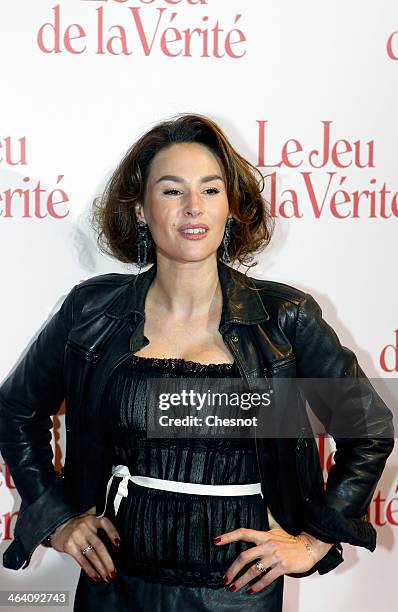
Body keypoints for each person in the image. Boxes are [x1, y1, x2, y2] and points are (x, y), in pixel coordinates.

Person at [0, 113, 394, 612]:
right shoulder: (91, 312)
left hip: (237, 593)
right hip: (115, 585)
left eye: (210, 190)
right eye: (171, 191)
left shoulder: (283, 319)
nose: (193, 208)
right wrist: (57, 519)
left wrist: (314, 540)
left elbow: (369, 427)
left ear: (231, 207)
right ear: (140, 209)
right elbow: (15, 411)